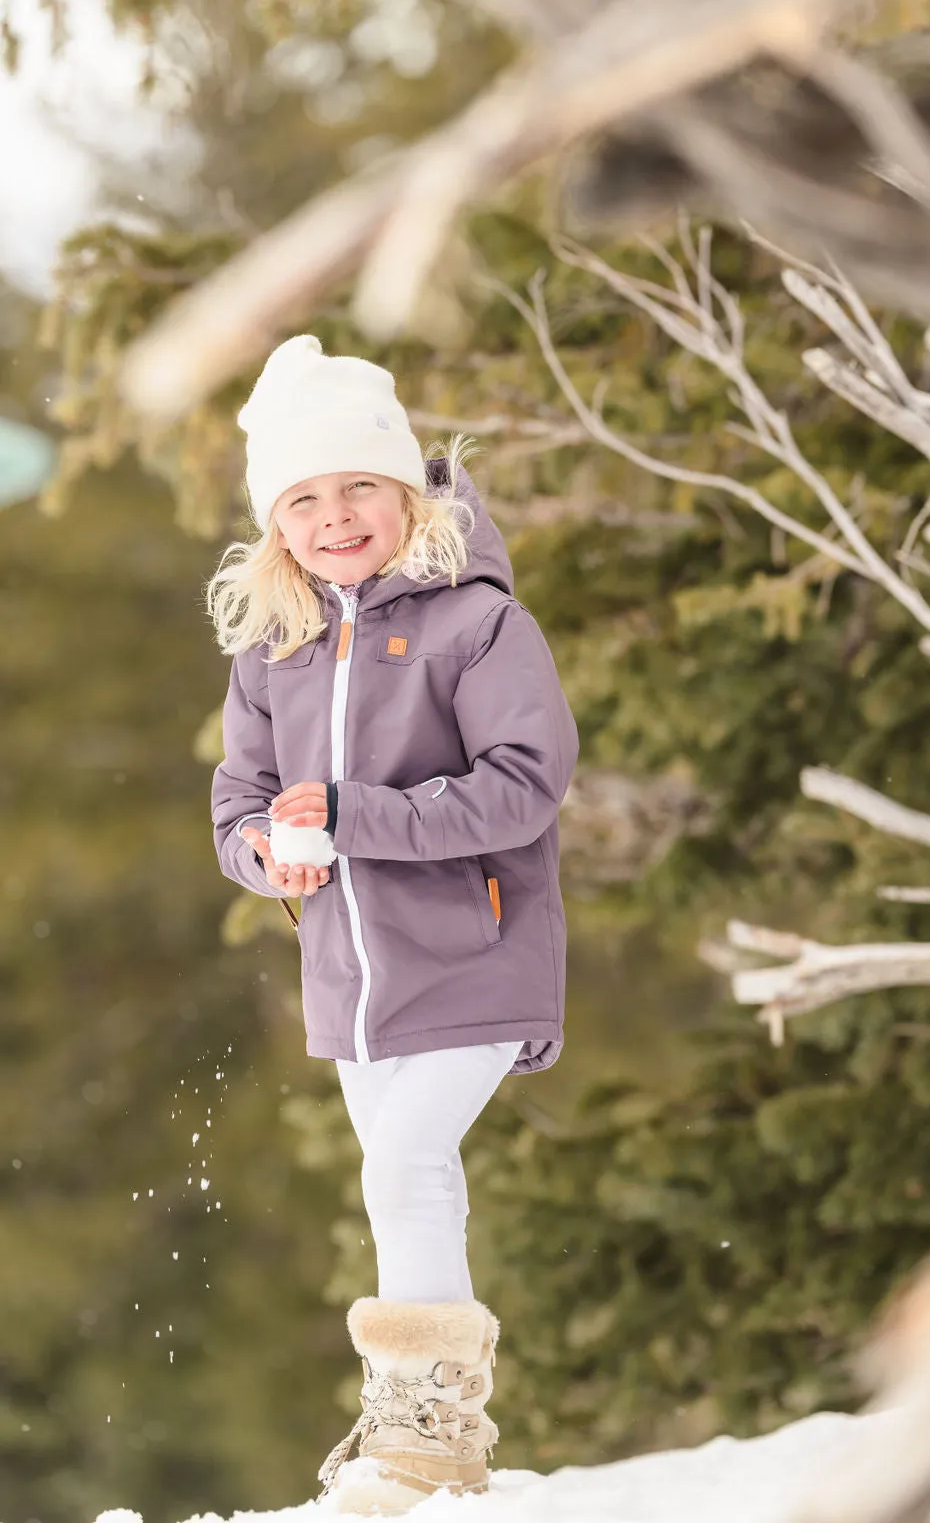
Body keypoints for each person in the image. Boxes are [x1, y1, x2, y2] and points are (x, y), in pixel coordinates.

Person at [206, 336, 579, 1514]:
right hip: (351, 986)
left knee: (406, 1164)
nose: (334, 516)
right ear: (276, 526)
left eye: (357, 486)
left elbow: (526, 780)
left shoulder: (476, 624)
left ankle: (416, 1425)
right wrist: (266, 851)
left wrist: (358, 817)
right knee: (410, 1177)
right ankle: (436, 1436)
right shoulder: (276, 649)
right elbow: (237, 798)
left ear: (404, 491)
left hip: (477, 953)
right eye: (303, 499)